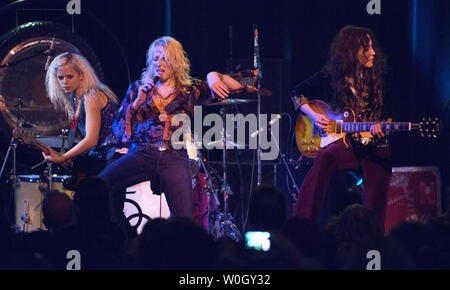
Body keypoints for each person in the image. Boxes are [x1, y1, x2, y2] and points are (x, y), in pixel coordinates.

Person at [98, 36, 257, 222]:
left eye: (165, 58)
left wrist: (214, 75)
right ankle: (124, 234)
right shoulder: (138, 88)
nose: (160, 64)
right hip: (142, 154)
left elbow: (243, 83)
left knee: (184, 219)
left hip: (174, 157)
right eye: (156, 59)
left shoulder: (189, 90)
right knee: (99, 187)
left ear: (176, 62)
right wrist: (136, 103)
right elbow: (117, 130)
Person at [291, 25, 392, 232]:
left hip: (371, 143)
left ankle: (373, 236)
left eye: (372, 47)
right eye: (366, 48)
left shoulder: (379, 78)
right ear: (351, 51)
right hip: (345, 142)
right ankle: (301, 227)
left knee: (381, 162)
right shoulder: (332, 75)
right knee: (325, 159)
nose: (373, 52)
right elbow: (297, 93)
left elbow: (389, 115)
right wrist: (315, 116)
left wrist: (383, 127)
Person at [43, 52, 121, 182]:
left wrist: (63, 157)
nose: (65, 82)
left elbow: (91, 140)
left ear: (81, 76)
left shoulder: (91, 96)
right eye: (60, 78)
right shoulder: (75, 98)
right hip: (99, 155)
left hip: (113, 155)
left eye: (69, 77)